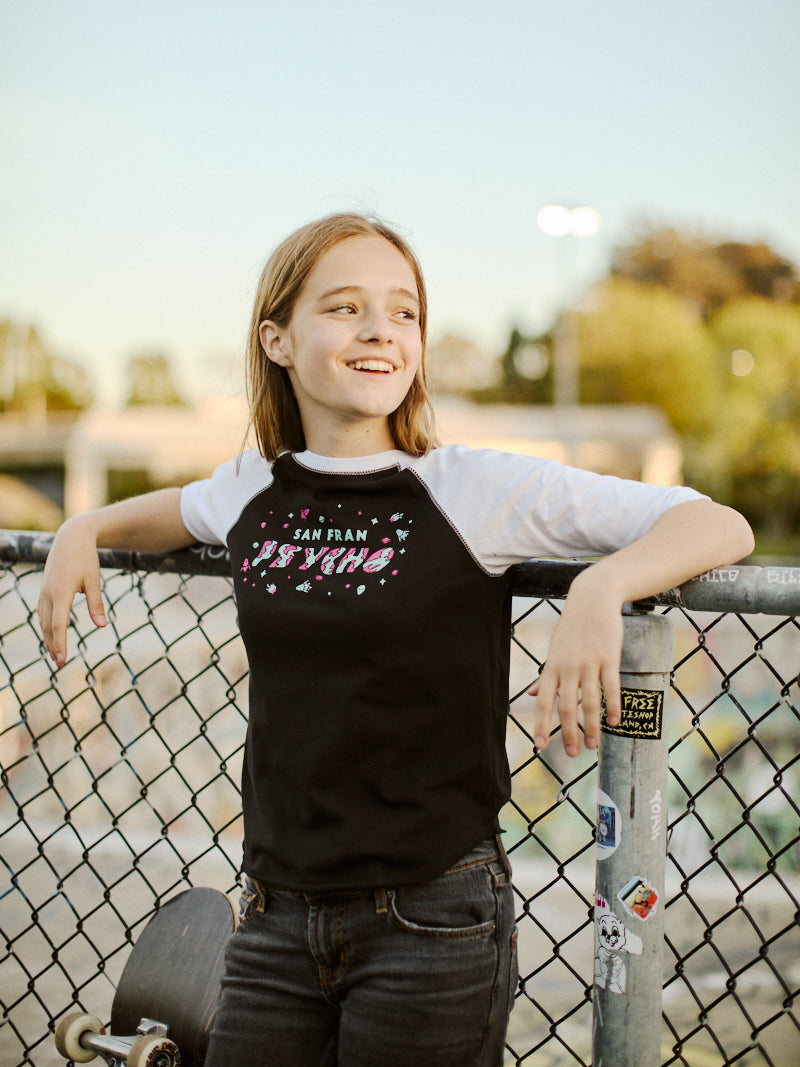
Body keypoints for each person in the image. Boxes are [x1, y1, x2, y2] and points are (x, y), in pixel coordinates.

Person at [37, 212, 754, 1066]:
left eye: (405, 311)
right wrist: (82, 524)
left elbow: (716, 523)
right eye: (344, 307)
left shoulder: (472, 486)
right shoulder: (251, 488)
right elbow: (158, 514)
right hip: (272, 917)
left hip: (430, 922)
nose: (382, 329)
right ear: (277, 338)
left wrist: (601, 584)